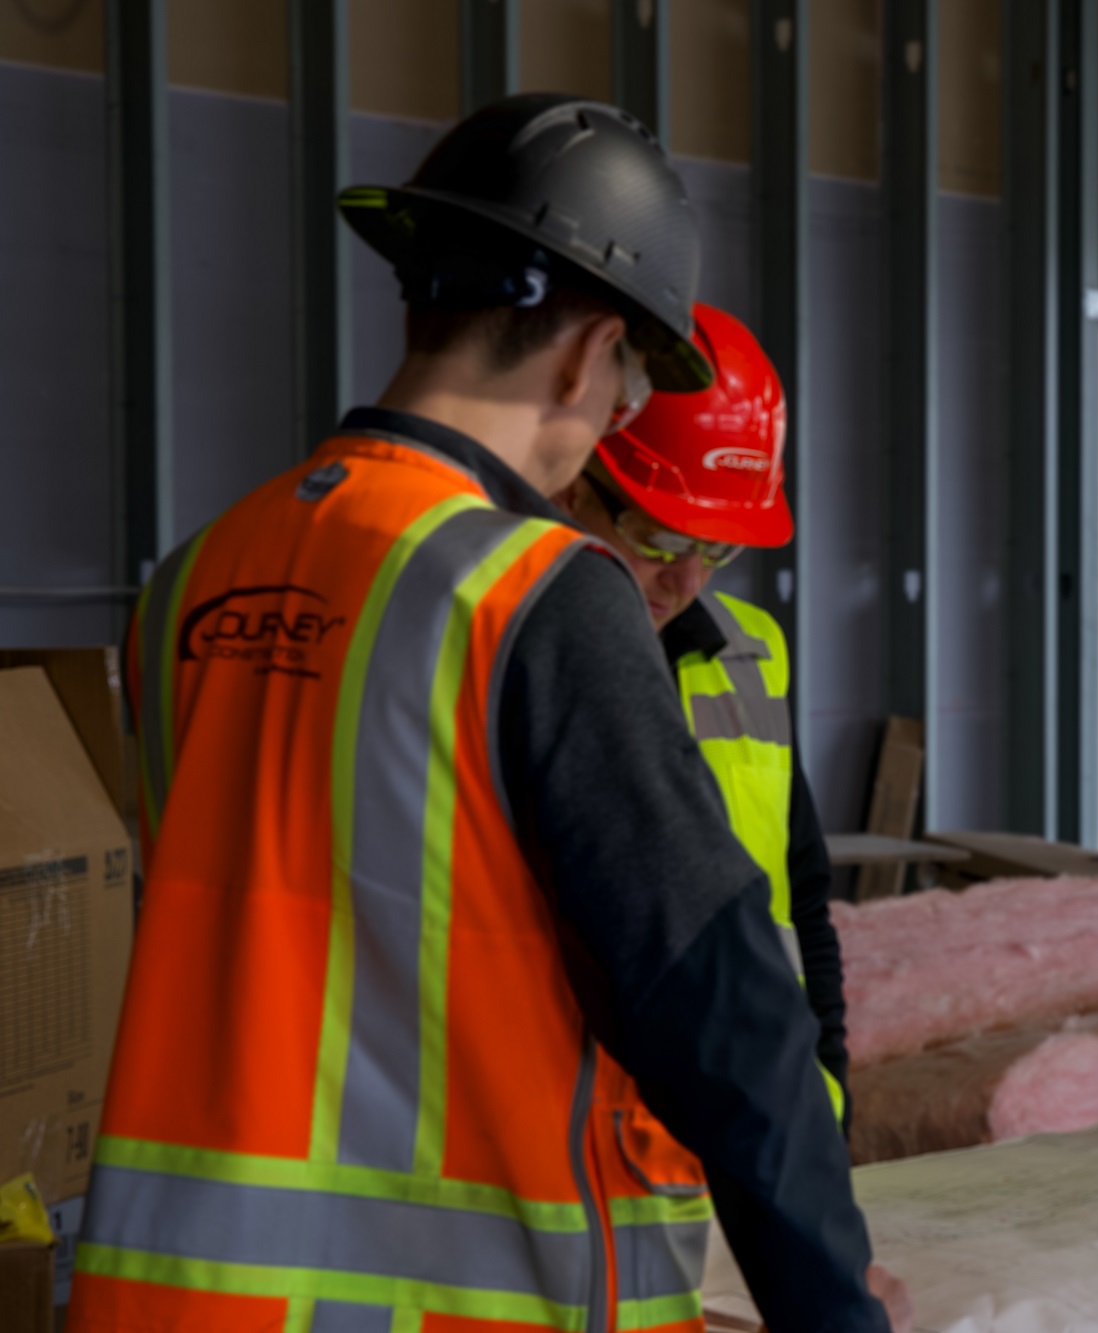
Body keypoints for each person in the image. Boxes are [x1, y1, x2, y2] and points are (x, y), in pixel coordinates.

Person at [70, 95, 906, 1333]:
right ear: (586, 355)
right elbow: (715, 996)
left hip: (175, 1295)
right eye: (626, 373)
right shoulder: (531, 593)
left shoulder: (189, 584)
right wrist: (832, 1307)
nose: (614, 405)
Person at [556, 302, 851, 1126]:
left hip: (762, 1124)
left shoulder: (751, 651)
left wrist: (829, 1100)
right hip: (586, 1144)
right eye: (656, 536)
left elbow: (802, 903)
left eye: (716, 548)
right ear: (576, 487)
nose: (685, 580)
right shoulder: (509, 657)